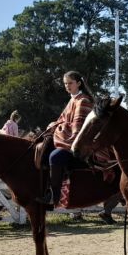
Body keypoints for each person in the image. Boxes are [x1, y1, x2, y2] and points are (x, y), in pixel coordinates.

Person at [35, 71, 94, 206]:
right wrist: (54, 124)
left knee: (55, 157)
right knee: (42, 149)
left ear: (78, 83)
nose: (67, 86)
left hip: (78, 143)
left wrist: (59, 126)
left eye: (70, 83)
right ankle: (43, 189)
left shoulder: (83, 100)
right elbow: (62, 119)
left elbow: (77, 128)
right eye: (65, 83)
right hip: (66, 138)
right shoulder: (73, 99)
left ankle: (53, 197)